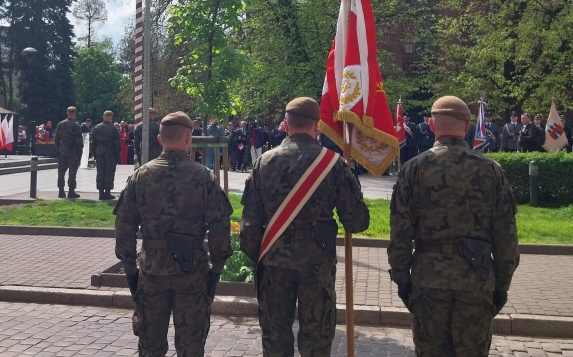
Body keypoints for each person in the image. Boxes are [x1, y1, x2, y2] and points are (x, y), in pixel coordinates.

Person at [388, 96, 520, 356]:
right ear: (468, 125)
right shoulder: (490, 170)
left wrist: (402, 279)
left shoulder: (413, 169)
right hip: (476, 280)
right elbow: (506, 236)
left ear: (433, 125)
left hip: (428, 279)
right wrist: (502, 285)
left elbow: (400, 232)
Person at [240, 97, 370, 356]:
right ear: (318, 126)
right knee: (316, 340)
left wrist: (260, 258)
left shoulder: (263, 162)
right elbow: (357, 222)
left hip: (274, 260)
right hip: (317, 263)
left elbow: (249, 225)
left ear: (285, 126)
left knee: (276, 338)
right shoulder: (333, 164)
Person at [114, 111, 233, 356]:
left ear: (160, 140)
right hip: (192, 272)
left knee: (151, 345)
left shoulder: (140, 176)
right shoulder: (204, 177)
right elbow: (220, 226)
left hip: (152, 272)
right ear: (189, 139)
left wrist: (130, 270)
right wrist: (216, 269)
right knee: (191, 346)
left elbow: (124, 226)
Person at [54, 107, 84, 199]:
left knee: (61, 172)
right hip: (73, 151)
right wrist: (80, 152)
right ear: (74, 113)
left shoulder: (60, 124)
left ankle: (61, 191)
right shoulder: (76, 126)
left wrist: (58, 150)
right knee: (72, 172)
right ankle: (71, 191)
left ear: (67, 113)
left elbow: (56, 139)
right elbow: (79, 141)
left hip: (63, 150)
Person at [90, 111, 120, 200]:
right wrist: (117, 155)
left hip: (99, 152)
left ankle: (100, 192)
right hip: (110, 153)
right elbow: (117, 144)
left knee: (100, 172)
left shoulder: (96, 128)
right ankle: (107, 192)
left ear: (103, 117)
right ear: (111, 117)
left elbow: (93, 142)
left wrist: (94, 154)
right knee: (109, 172)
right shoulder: (113, 129)